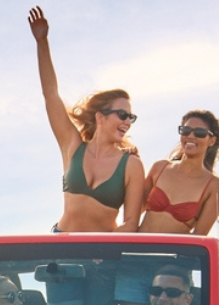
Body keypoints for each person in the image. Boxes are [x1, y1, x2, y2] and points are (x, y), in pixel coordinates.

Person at [28, 6, 145, 234]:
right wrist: (42, 42)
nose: (127, 122)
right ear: (100, 117)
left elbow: (131, 223)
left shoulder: (131, 165)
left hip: (100, 257)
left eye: (130, 117)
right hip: (61, 241)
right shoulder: (72, 146)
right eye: (122, 115)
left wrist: (101, 252)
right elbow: (51, 94)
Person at [139, 110, 219, 235]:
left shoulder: (215, 186)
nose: (191, 136)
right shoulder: (159, 168)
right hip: (136, 249)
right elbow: (132, 214)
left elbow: (199, 237)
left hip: (173, 254)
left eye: (199, 132)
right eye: (186, 131)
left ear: (211, 141)